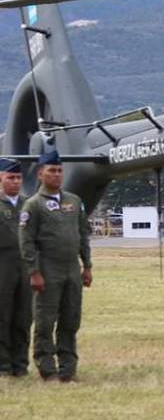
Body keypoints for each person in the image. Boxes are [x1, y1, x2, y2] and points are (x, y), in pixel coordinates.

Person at [18, 148, 92, 382]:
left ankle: (68, 369)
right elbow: (26, 241)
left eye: (60, 171)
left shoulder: (74, 201)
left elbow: (82, 234)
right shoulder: (33, 205)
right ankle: (47, 369)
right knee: (45, 321)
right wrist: (34, 271)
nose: (57, 175)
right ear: (40, 174)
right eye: (52, 171)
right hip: (47, 268)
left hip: (71, 269)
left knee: (71, 320)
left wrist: (87, 265)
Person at [0, 158, 31, 377]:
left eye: (18, 178)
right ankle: (3, 366)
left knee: (23, 317)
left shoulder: (28, 205)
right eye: (10, 177)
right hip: (3, 267)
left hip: (26, 268)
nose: (15, 182)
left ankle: (20, 365)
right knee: (2, 317)